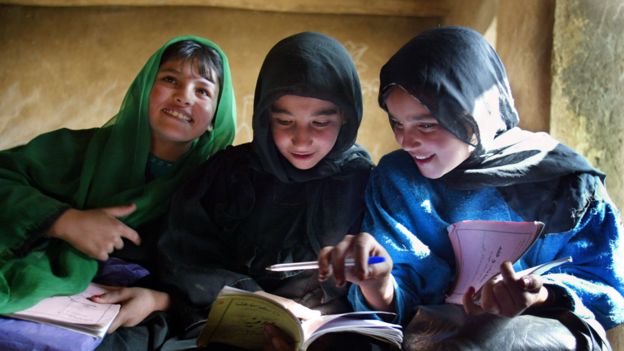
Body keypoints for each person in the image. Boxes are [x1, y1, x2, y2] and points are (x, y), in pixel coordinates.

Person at [318, 26, 624, 350]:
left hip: (545, 332)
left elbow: (607, 288)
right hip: (432, 333)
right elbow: (395, 303)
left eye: (426, 124)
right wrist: (379, 285)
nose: (405, 141)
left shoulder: (565, 182)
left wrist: (540, 295)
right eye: (397, 123)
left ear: (477, 113)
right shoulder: (397, 178)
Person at [0, 35, 236, 350]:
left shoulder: (221, 182)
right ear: (143, 91)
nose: (184, 97)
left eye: (202, 90)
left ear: (215, 117)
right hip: (47, 283)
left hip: (144, 310)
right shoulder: (75, 151)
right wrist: (63, 220)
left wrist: (161, 300)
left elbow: (230, 269)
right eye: (170, 79)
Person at [155, 32, 375, 350]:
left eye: (320, 122)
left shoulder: (364, 182)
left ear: (346, 118)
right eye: (284, 121)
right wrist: (257, 299)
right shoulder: (228, 173)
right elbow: (182, 253)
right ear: (263, 116)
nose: (301, 140)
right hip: (227, 325)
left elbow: (379, 275)